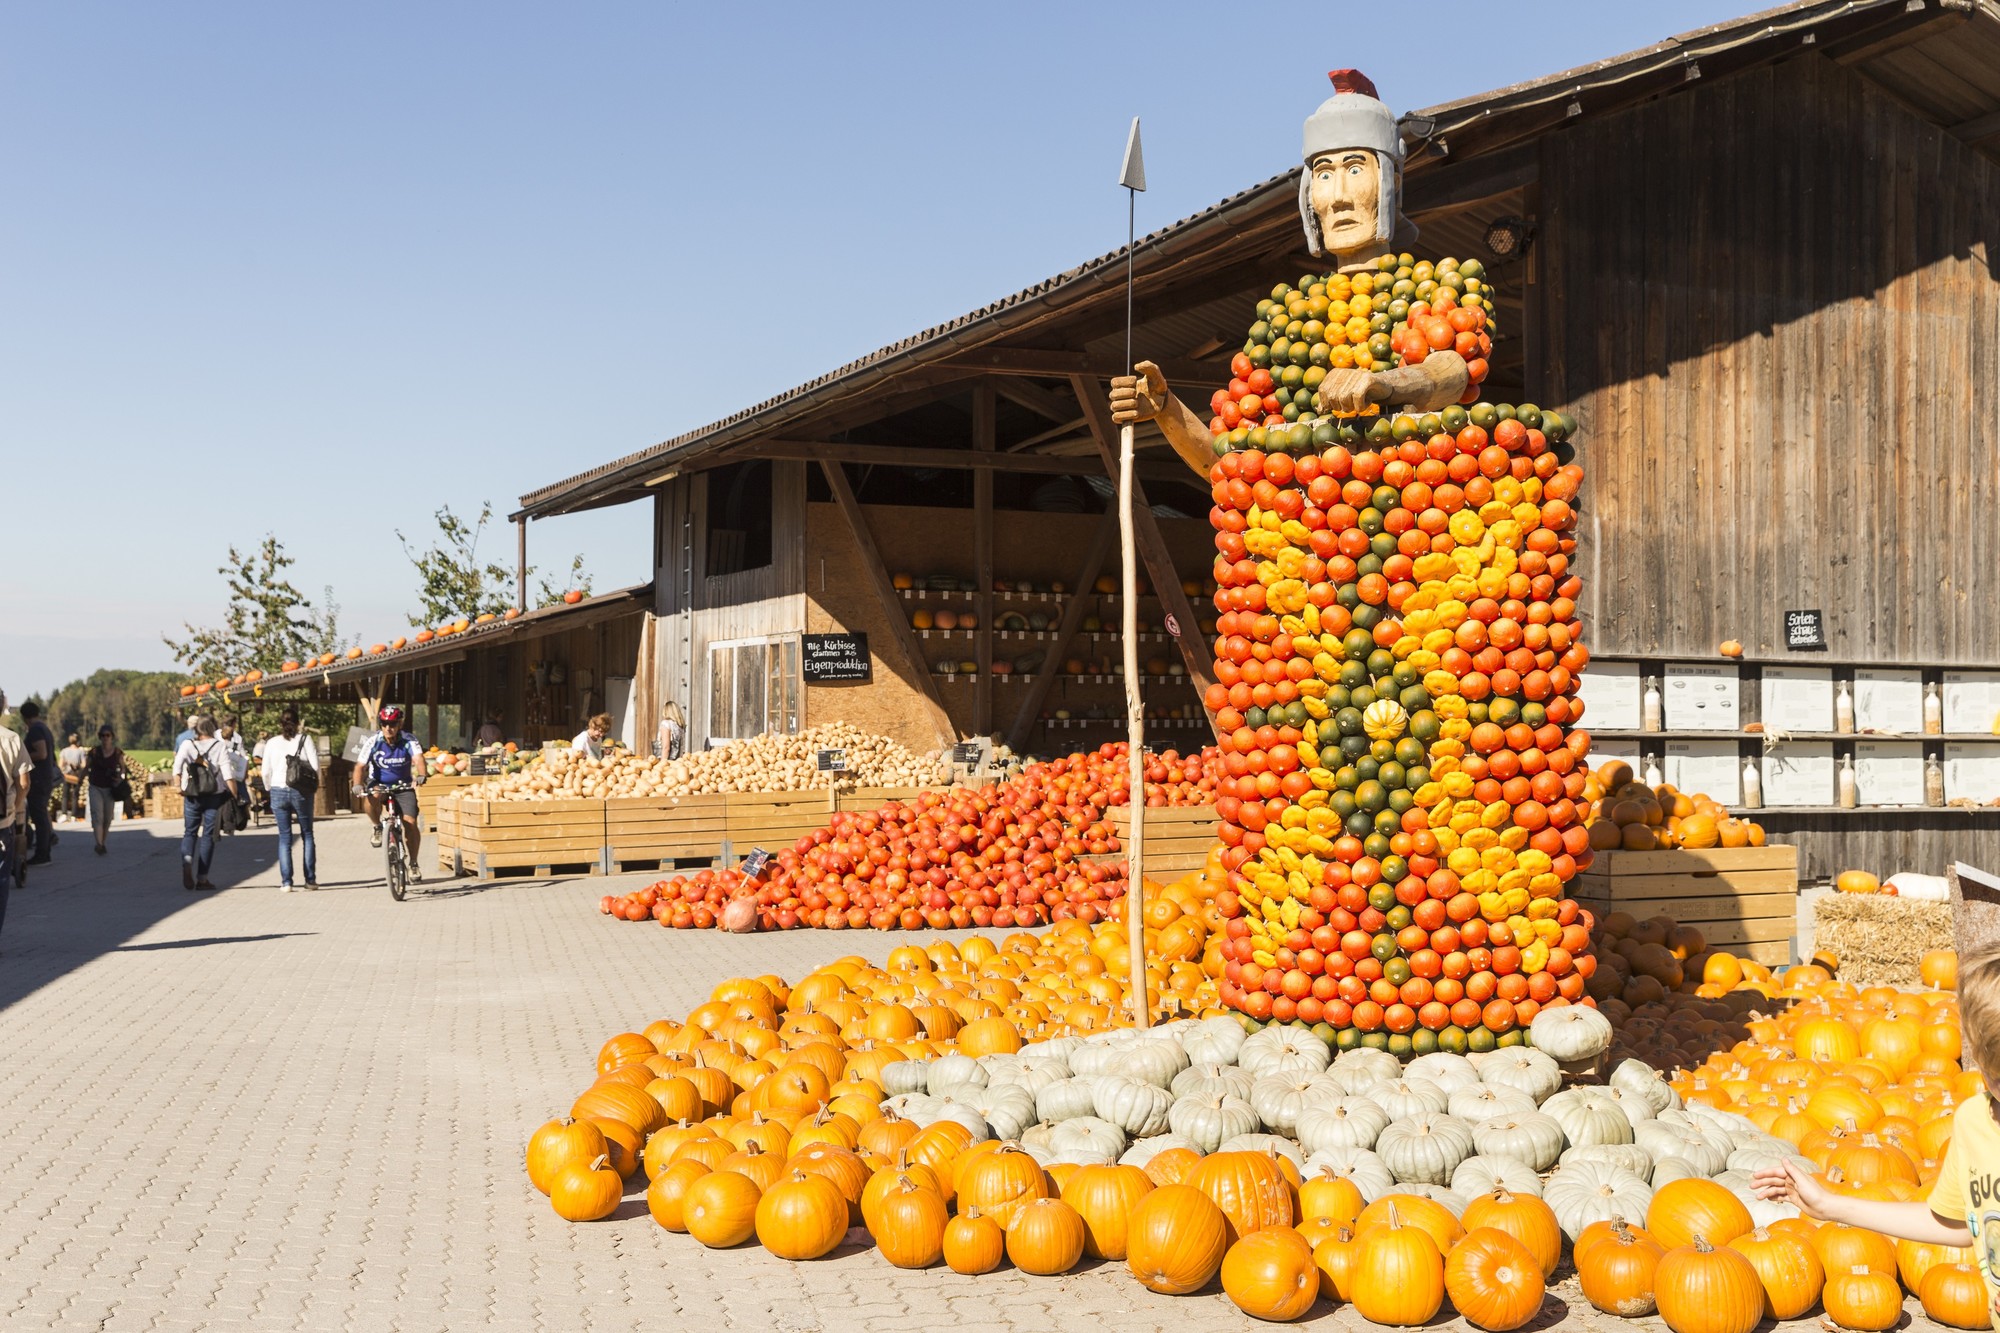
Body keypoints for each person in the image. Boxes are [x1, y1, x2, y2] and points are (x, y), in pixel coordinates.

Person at [1109, 69, 1471, 477]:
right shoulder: (1287, 317)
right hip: (1301, 527)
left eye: (1354, 170)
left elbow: (1452, 371)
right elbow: (1226, 463)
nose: (1338, 198)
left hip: (1422, 511)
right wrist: (1165, 409)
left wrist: (1385, 383)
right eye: (1323, 175)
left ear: (1391, 181)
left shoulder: (1435, 283)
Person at [1755, 951, 2000, 1319]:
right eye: (1996, 1077)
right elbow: (1955, 1222)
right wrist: (1828, 1205)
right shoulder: (1974, 1121)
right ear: (1980, 1061)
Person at [352, 706, 427, 877]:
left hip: (403, 785)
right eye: (384, 724)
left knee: (410, 822)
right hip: (379, 782)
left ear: (399, 724)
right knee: (374, 794)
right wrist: (357, 784)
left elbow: (418, 758)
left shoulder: (409, 740)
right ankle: (377, 826)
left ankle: (414, 863)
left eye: (392, 724)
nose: (388, 728)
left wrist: (422, 774)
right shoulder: (373, 741)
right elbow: (360, 766)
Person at [173, 715, 240, 890]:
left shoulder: (187, 744)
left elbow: (176, 767)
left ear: (197, 730)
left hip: (192, 794)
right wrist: (235, 795)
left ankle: (187, 860)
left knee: (190, 832)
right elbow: (228, 775)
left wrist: (178, 786)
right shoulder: (219, 746)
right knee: (208, 835)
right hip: (213, 795)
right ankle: (202, 879)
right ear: (212, 728)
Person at [262, 706, 319, 892]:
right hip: (300, 791)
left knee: (284, 838)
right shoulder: (305, 739)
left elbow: (265, 772)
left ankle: (286, 882)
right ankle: (310, 880)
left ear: (281, 723)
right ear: (298, 722)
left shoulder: (271, 743)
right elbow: (315, 768)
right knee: (307, 834)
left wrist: (269, 788)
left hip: (278, 790)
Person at [0, 689, 31, 933]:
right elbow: (24, 783)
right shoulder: (11, 739)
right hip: (3, 821)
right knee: (1, 880)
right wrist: (15, 807)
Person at [19, 700, 56, 865]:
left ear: (24, 717)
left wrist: (22, 759)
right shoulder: (44, 728)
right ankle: (44, 850)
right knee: (40, 815)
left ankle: (43, 853)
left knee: (38, 817)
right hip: (45, 777)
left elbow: (41, 753)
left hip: (38, 778)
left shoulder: (35, 731)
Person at [84, 726, 126, 855]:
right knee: (97, 815)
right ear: (99, 737)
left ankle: (102, 841)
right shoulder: (94, 752)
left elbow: (123, 768)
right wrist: (80, 780)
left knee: (107, 818)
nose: (105, 738)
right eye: (102, 735)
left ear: (112, 737)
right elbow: (86, 768)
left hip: (110, 788)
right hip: (96, 786)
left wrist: (120, 778)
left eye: (107, 735)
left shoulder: (118, 753)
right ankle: (99, 844)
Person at [216, 713, 250, 833]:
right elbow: (243, 756)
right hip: (234, 772)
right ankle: (238, 819)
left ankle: (222, 821)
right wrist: (245, 771)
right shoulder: (237, 738)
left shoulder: (215, 734)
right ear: (234, 724)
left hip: (218, 772)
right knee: (241, 797)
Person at [58, 733, 87, 822]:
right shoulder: (80, 751)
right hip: (76, 776)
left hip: (66, 775)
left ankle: (64, 814)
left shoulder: (64, 751)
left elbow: (60, 764)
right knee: (75, 795)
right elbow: (84, 764)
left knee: (65, 795)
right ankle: (74, 815)